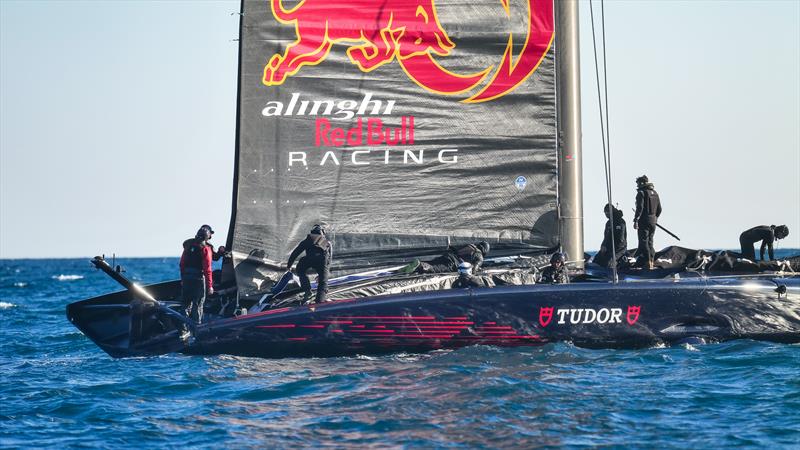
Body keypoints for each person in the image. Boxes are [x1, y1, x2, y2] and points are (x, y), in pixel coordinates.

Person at [179, 225, 216, 326]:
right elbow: (207, 269)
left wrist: (183, 279)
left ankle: (183, 330)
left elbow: (182, 264)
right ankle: (197, 330)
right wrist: (210, 286)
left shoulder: (188, 246)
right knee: (198, 305)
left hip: (187, 278)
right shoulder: (205, 248)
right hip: (198, 279)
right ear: (208, 236)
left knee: (185, 305)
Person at [286, 224, 332, 303]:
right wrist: (324, 273)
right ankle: (319, 301)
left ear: (312, 232)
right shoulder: (327, 243)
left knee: (300, 268)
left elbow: (295, 252)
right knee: (323, 283)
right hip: (322, 261)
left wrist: (289, 265)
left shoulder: (308, 240)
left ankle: (307, 291)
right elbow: (329, 259)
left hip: (309, 259)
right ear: (323, 233)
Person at [633, 175, 662, 269]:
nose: (637, 186)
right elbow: (659, 209)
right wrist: (654, 218)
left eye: (638, 183)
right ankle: (652, 262)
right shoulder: (655, 193)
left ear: (641, 183)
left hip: (643, 221)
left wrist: (636, 220)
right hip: (653, 221)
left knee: (643, 242)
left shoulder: (641, 193)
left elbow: (639, 208)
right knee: (650, 242)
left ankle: (648, 262)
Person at [416, 242, 490, 274]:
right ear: (485, 250)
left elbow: (456, 250)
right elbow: (474, 269)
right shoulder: (480, 256)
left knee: (432, 263)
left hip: (449, 256)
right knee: (435, 269)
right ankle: (421, 266)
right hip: (453, 263)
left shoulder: (470, 246)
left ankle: (418, 264)